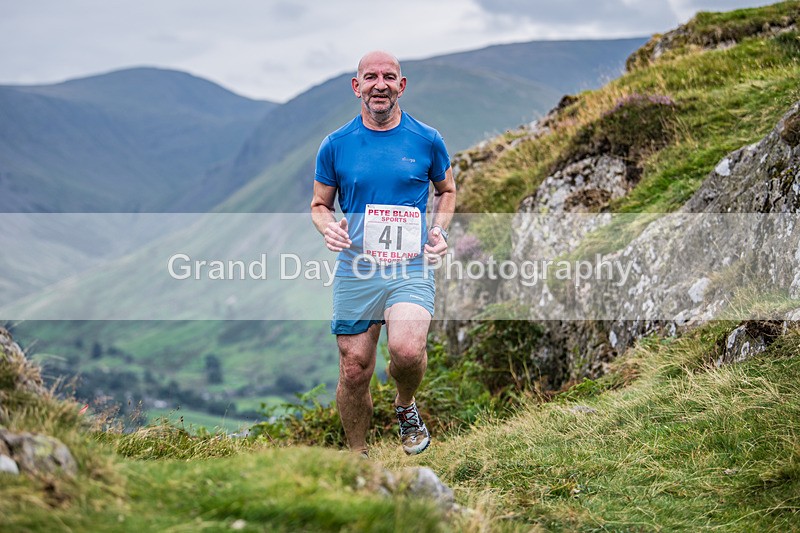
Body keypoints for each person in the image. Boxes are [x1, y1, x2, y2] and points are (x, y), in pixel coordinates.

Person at [310, 51, 456, 456]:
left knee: (407, 351)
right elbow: (319, 204)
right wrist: (329, 229)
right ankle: (359, 458)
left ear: (401, 86)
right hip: (357, 267)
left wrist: (439, 230)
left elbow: (447, 191)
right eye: (370, 77)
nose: (380, 84)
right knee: (354, 368)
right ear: (357, 87)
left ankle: (405, 406)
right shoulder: (335, 145)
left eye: (389, 77)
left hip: (411, 264)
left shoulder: (427, 138)